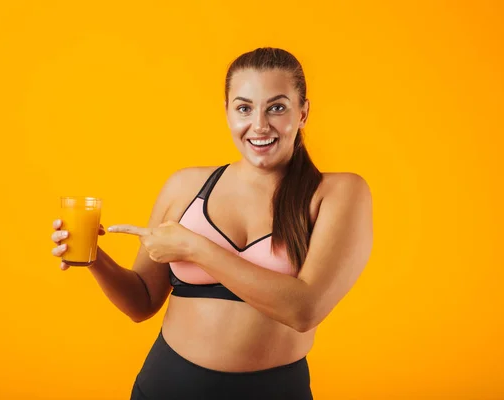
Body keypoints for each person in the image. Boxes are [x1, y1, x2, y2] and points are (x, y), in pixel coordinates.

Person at [50, 47, 373, 400]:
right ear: (227, 112)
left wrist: (195, 248)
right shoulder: (185, 186)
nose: (260, 125)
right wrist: (94, 258)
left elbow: (304, 310)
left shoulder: (338, 193)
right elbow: (142, 303)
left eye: (277, 107)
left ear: (303, 112)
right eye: (244, 108)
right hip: (165, 386)